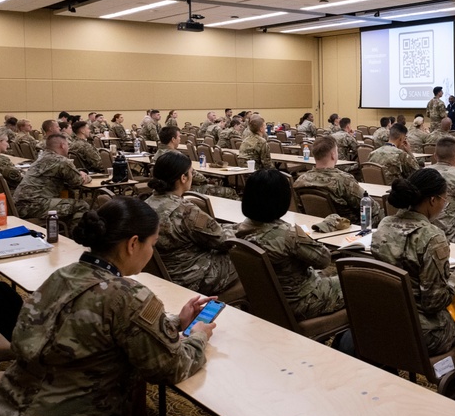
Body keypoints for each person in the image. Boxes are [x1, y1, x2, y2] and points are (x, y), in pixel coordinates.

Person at [0, 198, 214, 416]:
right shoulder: (129, 296)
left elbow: (92, 323)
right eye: (152, 244)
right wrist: (199, 336)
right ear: (133, 244)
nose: (152, 252)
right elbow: (173, 367)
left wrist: (177, 321)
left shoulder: (61, 276)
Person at [371, 168, 455, 354]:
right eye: (444, 200)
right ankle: (452, 373)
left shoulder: (384, 224)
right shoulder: (432, 237)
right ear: (432, 200)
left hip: (386, 317)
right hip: (423, 331)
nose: (444, 205)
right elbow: (434, 303)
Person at [236, 169, 346, 320]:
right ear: (281, 200)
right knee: (357, 282)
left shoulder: (240, 230)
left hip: (267, 300)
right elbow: (324, 260)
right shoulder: (290, 235)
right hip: (300, 302)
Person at [145, 151, 239, 295]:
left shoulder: (145, 204)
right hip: (192, 278)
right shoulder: (186, 211)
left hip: (161, 276)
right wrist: (242, 228)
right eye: (191, 172)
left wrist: (229, 227)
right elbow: (222, 240)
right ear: (183, 178)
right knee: (247, 258)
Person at [294, 136, 382, 225]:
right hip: (347, 227)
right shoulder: (343, 180)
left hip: (316, 226)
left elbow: (299, 208)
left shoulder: (300, 180)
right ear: (333, 154)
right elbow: (371, 207)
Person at [13, 133, 91, 228]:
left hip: (19, 204)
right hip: (35, 205)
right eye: (67, 145)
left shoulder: (41, 157)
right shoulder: (62, 161)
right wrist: (85, 175)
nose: (68, 147)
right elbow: (77, 182)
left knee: (68, 196)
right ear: (62, 145)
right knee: (82, 205)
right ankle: (76, 237)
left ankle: (64, 230)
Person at [153, 126, 238, 199]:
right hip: (182, 189)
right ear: (173, 139)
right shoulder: (176, 156)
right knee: (230, 191)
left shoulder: (157, 154)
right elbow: (193, 175)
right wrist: (206, 180)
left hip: (162, 189)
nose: (180, 139)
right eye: (179, 137)